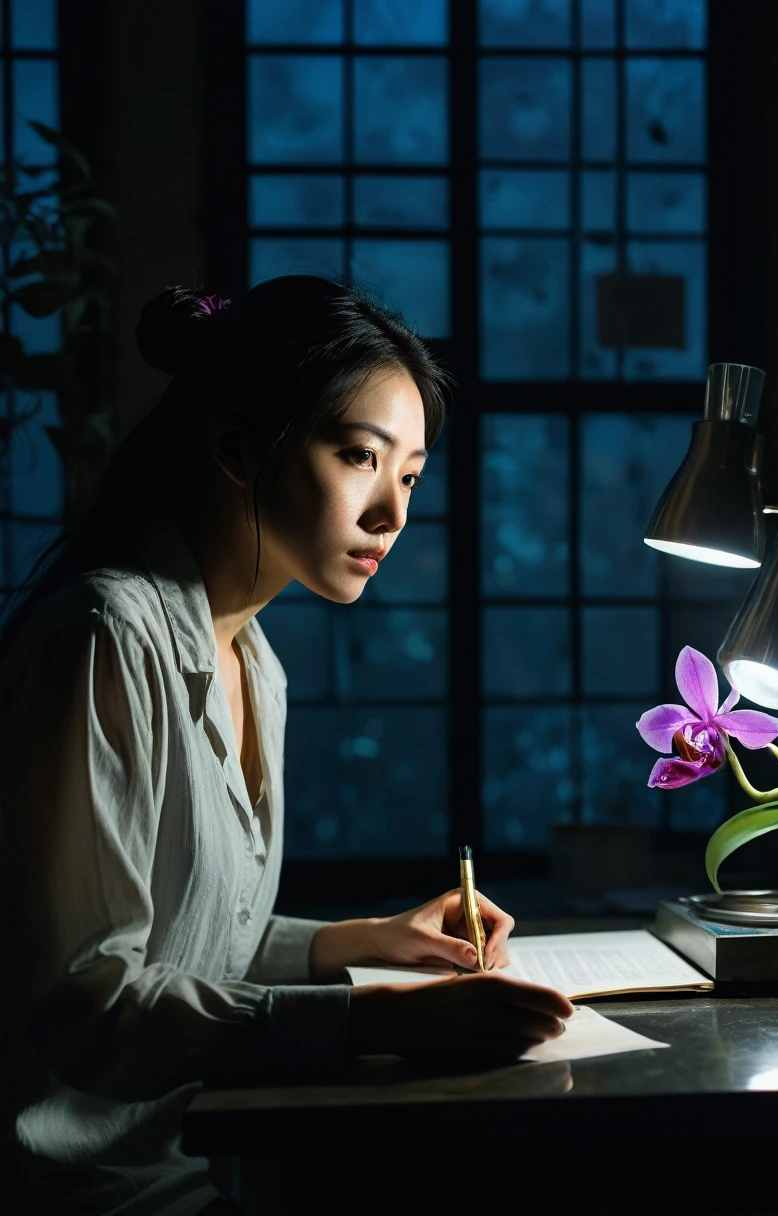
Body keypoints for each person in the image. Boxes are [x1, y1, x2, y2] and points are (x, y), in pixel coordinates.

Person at [0, 276, 573, 1215]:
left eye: (412, 476)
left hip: (202, 1163)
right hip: (88, 1192)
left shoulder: (254, 660)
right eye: (360, 456)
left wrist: (370, 942)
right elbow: (90, 1000)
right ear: (235, 446)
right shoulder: (104, 638)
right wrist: (367, 1017)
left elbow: (196, 939)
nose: (392, 513)